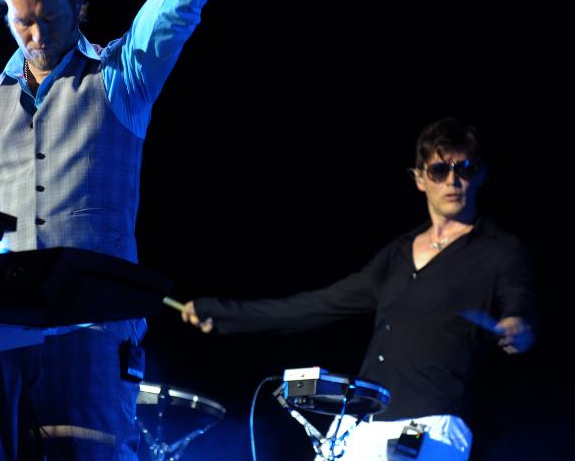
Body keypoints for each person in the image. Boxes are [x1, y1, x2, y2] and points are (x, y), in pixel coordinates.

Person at [0, 0, 270, 461]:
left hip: (92, 332)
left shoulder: (119, 79)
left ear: (80, 5)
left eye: (50, 19)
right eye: (22, 20)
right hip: (2, 337)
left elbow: (174, 9)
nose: (35, 35)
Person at [182, 117, 536, 461]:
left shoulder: (500, 251)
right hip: (360, 424)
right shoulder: (397, 254)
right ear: (419, 179)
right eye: (440, 171)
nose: (453, 181)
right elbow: (316, 305)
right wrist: (225, 313)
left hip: (432, 424)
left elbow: (517, 301)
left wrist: (516, 324)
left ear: (481, 175)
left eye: (466, 169)